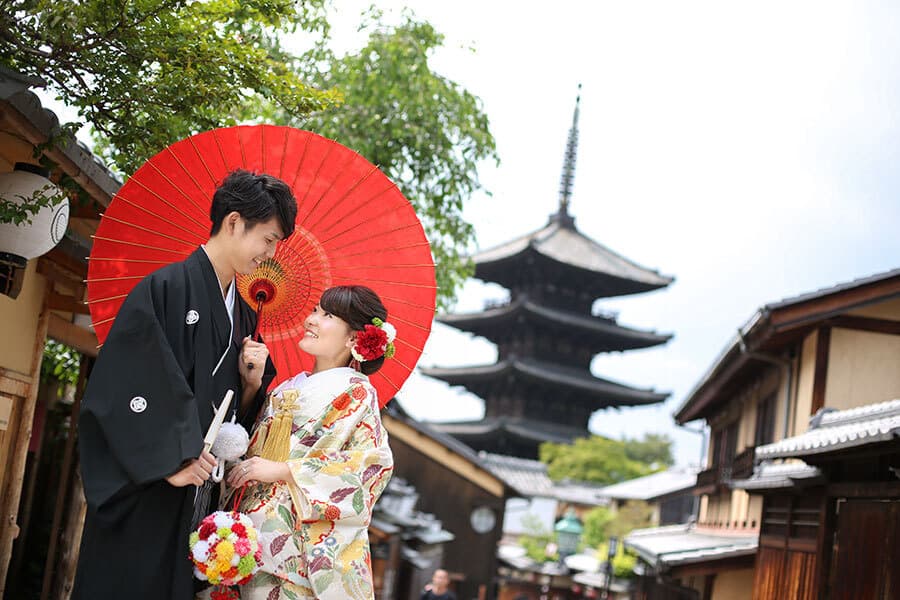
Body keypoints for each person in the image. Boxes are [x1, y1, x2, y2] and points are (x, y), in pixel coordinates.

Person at [73, 170, 297, 600]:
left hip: (201, 496)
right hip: (151, 488)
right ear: (233, 222)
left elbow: (236, 413)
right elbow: (123, 391)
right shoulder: (165, 288)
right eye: (267, 240)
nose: (269, 255)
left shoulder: (246, 318)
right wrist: (171, 461)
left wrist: (251, 385)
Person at [225, 285, 395, 599]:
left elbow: (372, 470)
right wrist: (251, 385)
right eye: (315, 310)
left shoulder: (357, 393)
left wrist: (284, 471)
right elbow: (250, 448)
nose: (311, 320)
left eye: (327, 315)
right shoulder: (285, 388)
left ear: (354, 339)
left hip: (295, 549)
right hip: (247, 536)